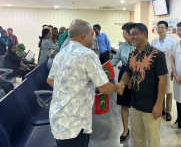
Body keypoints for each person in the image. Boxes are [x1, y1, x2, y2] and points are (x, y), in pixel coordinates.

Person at [47, 19, 124, 147]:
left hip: (58, 119)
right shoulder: (87, 54)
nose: (94, 39)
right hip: (75, 123)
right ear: (84, 35)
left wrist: (72, 89)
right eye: (92, 34)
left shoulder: (61, 53)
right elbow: (105, 87)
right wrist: (117, 87)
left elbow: (50, 80)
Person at [119, 23, 168, 147]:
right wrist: (120, 84)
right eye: (130, 35)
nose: (132, 37)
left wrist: (158, 105)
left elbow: (163, 80)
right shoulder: (133, 54)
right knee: (138, 138)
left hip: (151, 105)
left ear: (144, 34)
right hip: (135, 103)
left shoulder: (157, 55)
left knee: (153, 141)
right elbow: (127, 73)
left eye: (135, 34)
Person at [110, 22, 136, 142]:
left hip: (137, 76)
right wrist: (103, 69)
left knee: (137, 105)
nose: (123, 36)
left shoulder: (139, 46)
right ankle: (125, 129)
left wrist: (132, 78)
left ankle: (138, 130)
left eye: (124, 33)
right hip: (124, 74)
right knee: (124, 104)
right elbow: (116, 60)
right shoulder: (123, 46)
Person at [151, 21, 176, 121]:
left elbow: (174, 58)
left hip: (168, 69)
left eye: (162, 28)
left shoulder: (172, 42)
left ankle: (168, 111)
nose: (160, 30)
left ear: (167, 29)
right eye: (158, 28)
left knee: (168, 91)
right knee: (159, 89)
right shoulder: (154, 41)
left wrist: (174, 71)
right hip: (156, 70)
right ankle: (161, 109)